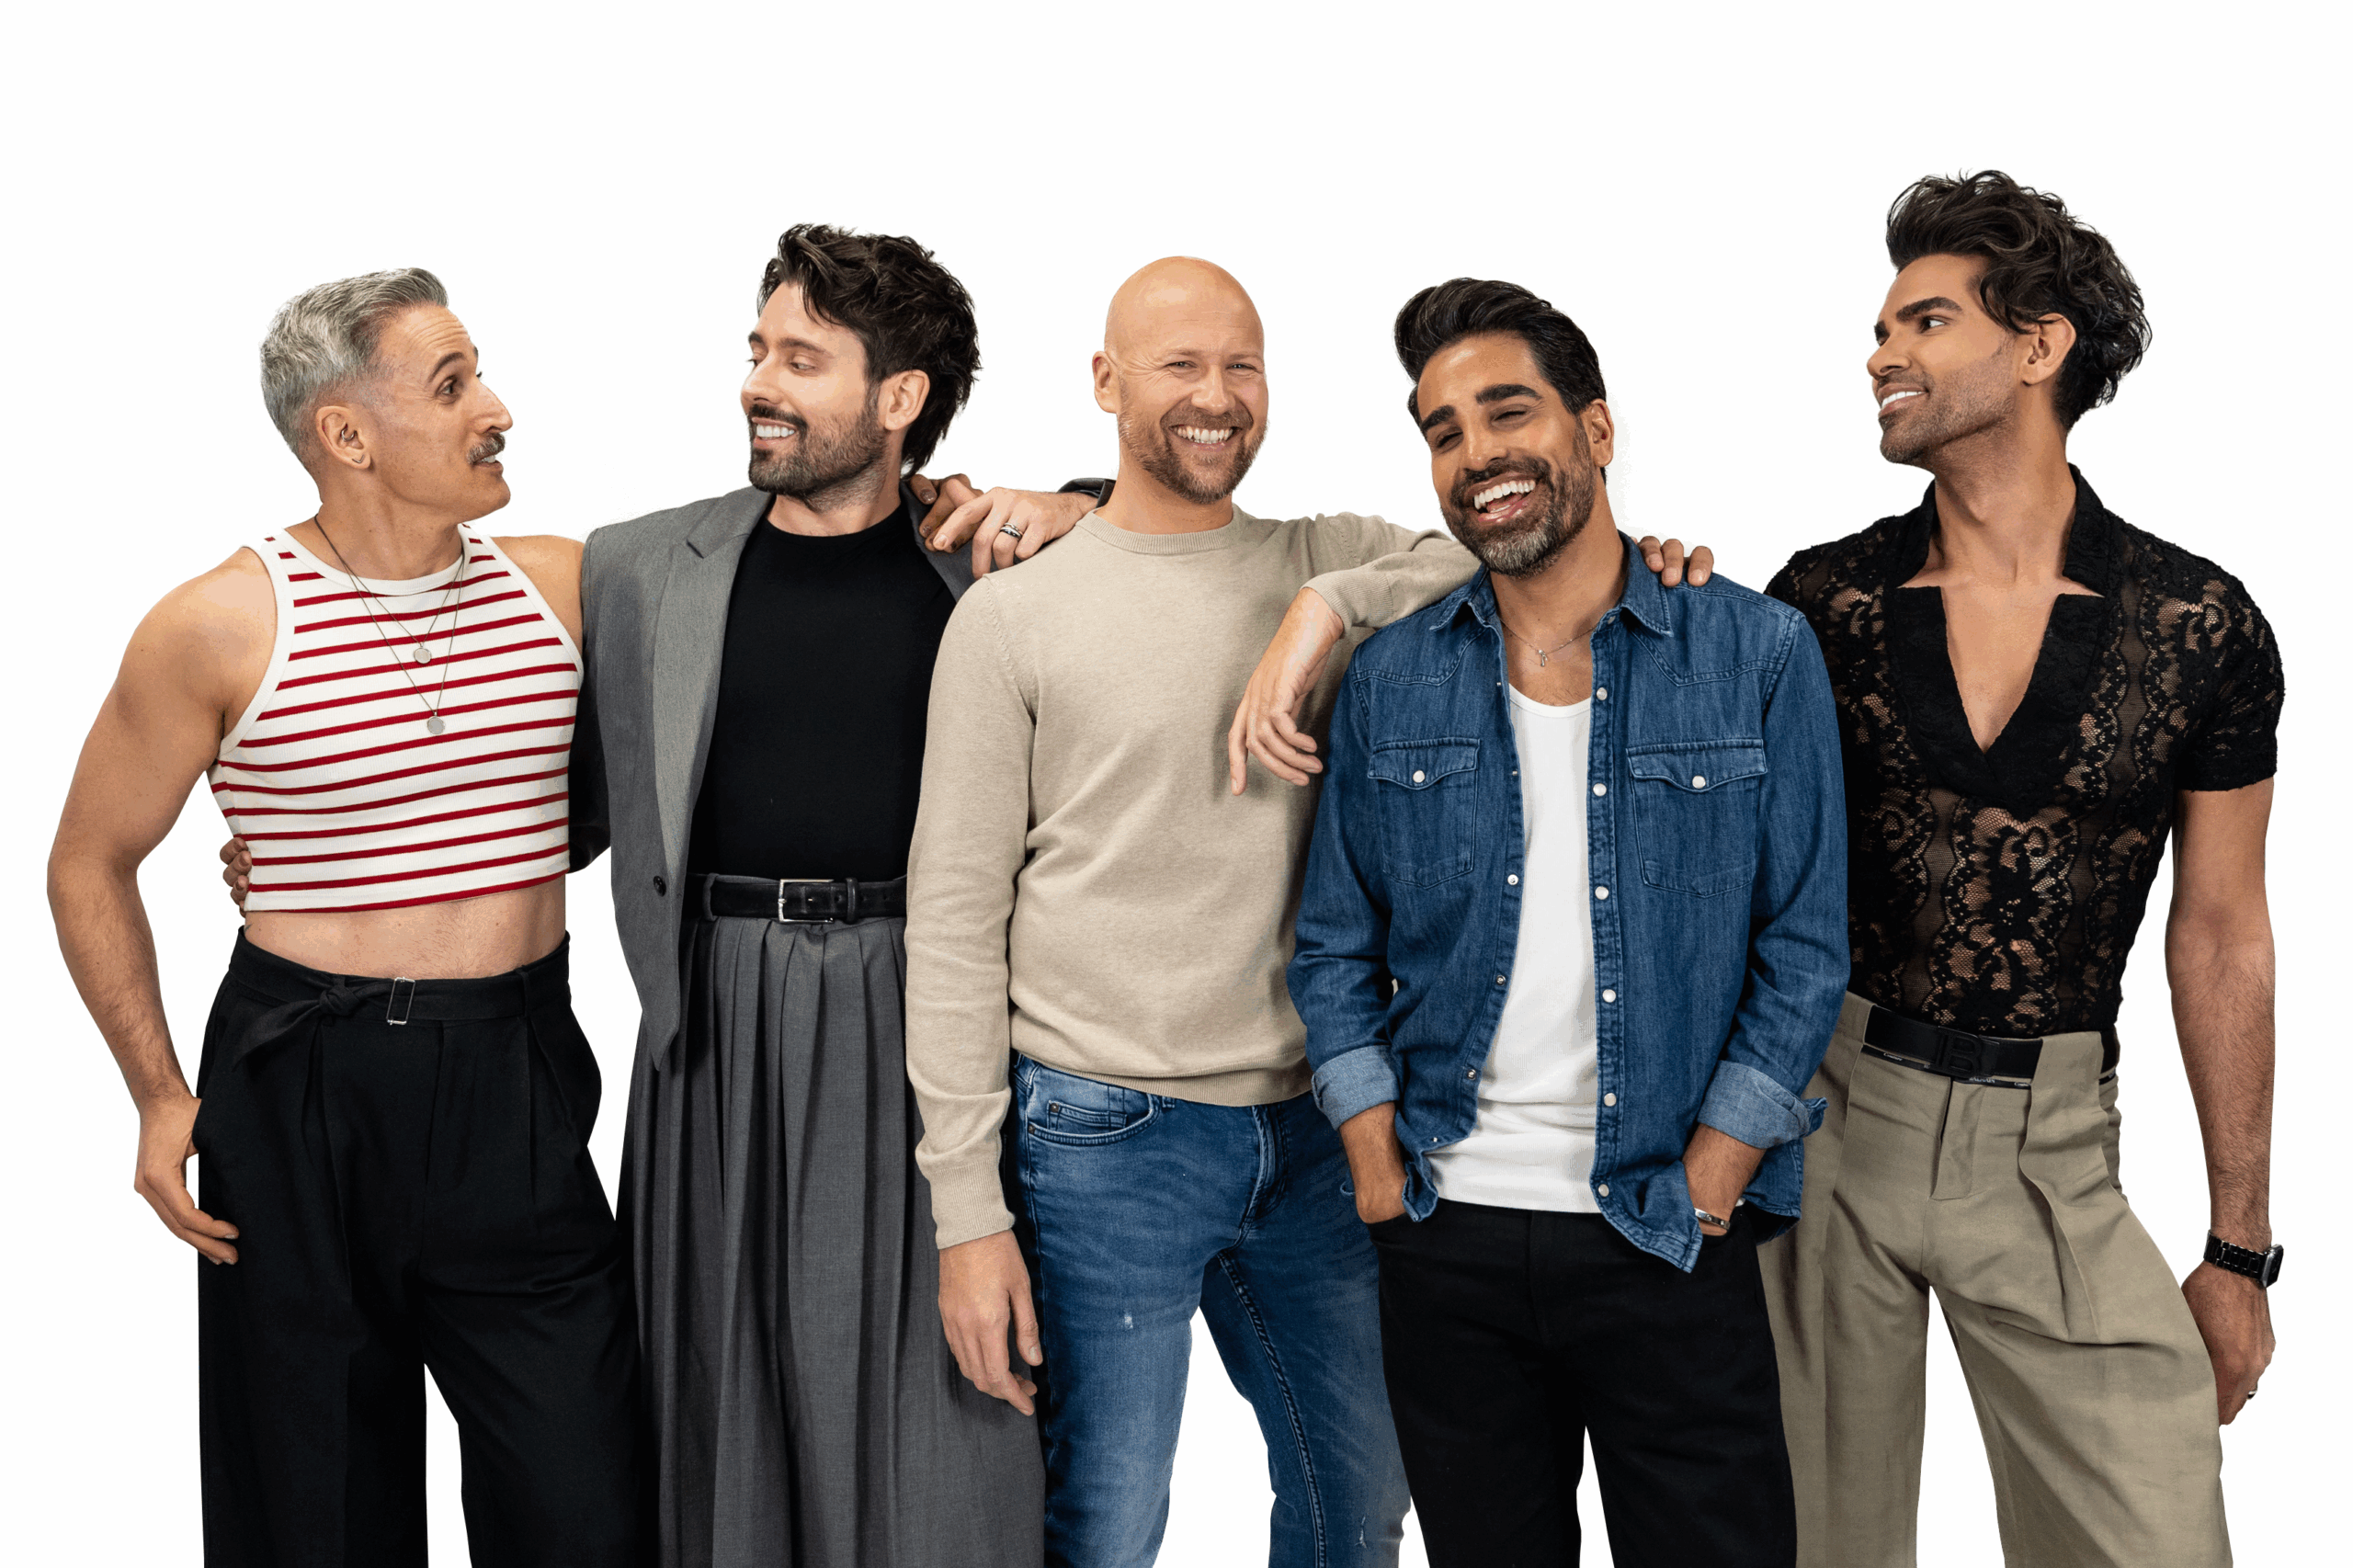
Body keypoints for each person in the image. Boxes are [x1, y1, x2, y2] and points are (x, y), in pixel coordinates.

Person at [903, 256, 1715, 1567]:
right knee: (1106, 1525)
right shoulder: (1013, 617)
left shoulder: (1322, 554)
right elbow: (950, 925)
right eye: (1179, 364)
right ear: (1106, 382)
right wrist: (966, 1213)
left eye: (1243, 365)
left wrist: (1326, 610)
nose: (1217, 395)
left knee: (1359, 1504)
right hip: (1107, 1136)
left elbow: (1498, 548)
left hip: (1318, 1131)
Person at [49, 269, 640, 1565]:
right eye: (453, 384)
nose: (498, 408)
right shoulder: (218, 624)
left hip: (517, 1070)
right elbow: (88, 863)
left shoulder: (566, 587)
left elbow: (751, 594)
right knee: (310, 1511)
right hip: (300, 1082)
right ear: (348, 434)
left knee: (589, 1503)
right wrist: (156, 1093)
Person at [1759, 171, 2284, 1567]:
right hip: (1827, 1129)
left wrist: (2238, 1249)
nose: (1881, 353)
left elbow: (2222, 934)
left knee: (2159, 1536)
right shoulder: (1817, 604)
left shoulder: (2200, 623)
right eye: (1882, 326)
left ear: (2041, 344)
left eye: (1925, 321)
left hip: (2051, 1153)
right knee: (1816, 1545)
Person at [1287, 278, 1847, 1567]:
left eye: (1508, 411)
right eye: (1443, 431)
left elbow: (1805, 944)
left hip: (1666, 1224)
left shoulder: (1755, 653)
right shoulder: (1393, 676)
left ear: (1595, 428)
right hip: (1449, 1227)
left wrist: (1715, 1170)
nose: (1475, 453)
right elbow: (1334, 943)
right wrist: (1373, 1153)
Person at [565, 223, 1097, 1568]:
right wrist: (317, 844)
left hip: (936, 1012)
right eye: (758, 349)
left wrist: (1084, 504)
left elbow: (1185, 555)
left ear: (899, 397)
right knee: (721, 1412)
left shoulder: (997, 562)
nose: (759, 381)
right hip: (715, 1026)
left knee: (953, 1403)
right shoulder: (639, 567)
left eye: (802, 359)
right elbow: (567, 807)